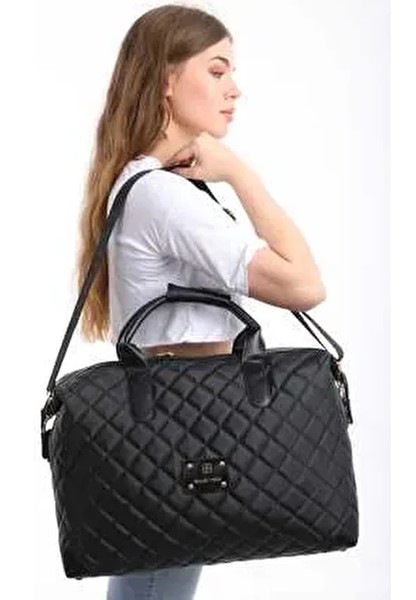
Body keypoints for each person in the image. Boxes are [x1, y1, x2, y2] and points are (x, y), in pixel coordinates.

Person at [74, 4, 327, 599]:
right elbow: (304, 286)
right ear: (167, 79)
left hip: (177, 434)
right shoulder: (162, 196)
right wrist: (241, 174)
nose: (234, 89)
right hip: (183, 438)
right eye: (217, 70)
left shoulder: (150, 184)